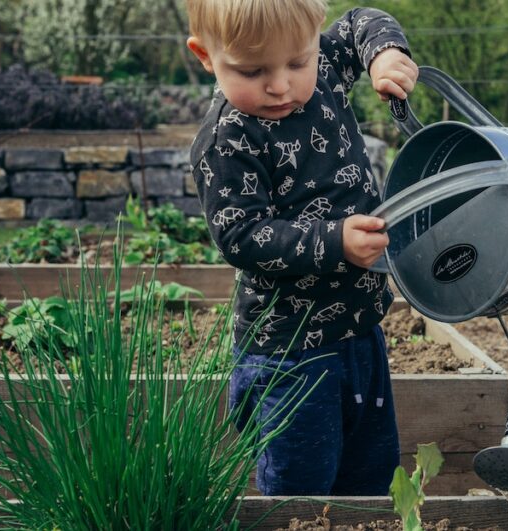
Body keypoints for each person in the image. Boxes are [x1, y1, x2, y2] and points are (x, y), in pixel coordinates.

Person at [185, 0, 418, 496]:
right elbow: (240, 234)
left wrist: (384, 54)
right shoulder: (228, 139)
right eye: (252, 70)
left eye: (297, 62)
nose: (279, 84)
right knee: (301, 489)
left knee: (371, 474)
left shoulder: (325, 68)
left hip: (361, 331)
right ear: (206, 56)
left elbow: (360, 22)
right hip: (289, 353)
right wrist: (333, 241)